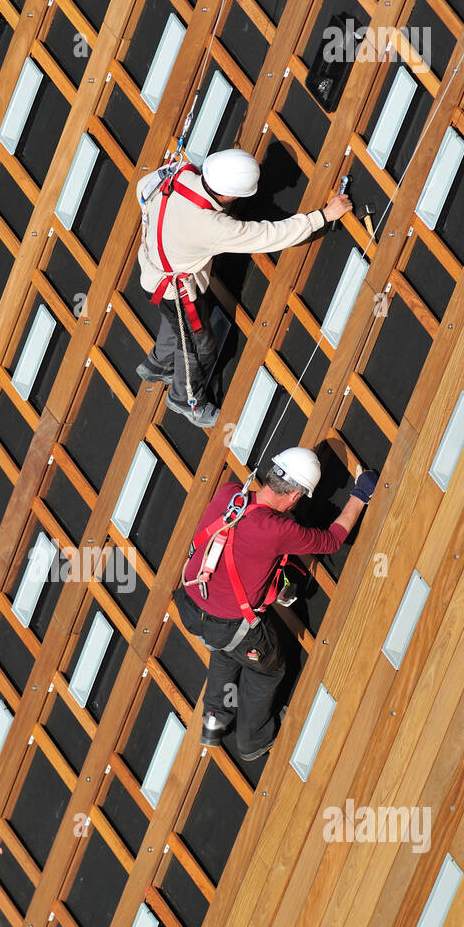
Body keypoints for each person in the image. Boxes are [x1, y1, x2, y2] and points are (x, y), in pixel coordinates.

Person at [174, 448, 378, 761]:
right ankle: (252, 741)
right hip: (228, 626)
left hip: (192, 604)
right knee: (267, 669)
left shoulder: (230, 493)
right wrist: (361, 494)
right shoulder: (278, 531)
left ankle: (215, 720)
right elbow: (332, 539)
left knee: (226, 650)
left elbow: (244, 534)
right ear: (296, 494)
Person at [136, 149, 352, 426]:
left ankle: (159, 363)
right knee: (200, 346)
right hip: (177, 291)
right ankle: (183, 398)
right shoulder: (212, 227)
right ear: (229, 195)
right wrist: (323, 216)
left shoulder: (178, 175)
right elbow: (267, 236)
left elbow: (143, 189)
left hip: (153, 270)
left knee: (176, 324)